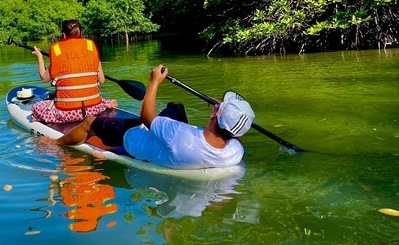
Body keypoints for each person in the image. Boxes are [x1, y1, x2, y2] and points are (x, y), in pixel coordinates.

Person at [48, 65, 255, 169]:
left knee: (90, 122)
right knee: (176, 107)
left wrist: (154, 82)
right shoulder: (235, 153)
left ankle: (56, 143)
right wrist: (219, 108)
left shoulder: (178, 135)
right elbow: (233, 133)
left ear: (215, 115)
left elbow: (146, 117)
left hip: (135, 138)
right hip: (181, 144)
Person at [30, 19, 117, 124]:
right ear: (80, 32)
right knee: (102, 100)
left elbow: (44, 78)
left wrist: (39, 56)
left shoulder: (56, 49)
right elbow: (102, 80)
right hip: (93, 109)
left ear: (64, 34)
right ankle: (107, 104)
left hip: (68, 113)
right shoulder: (91, 46)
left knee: (36, 107)